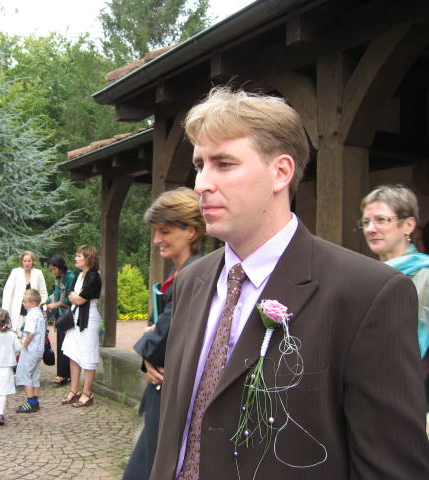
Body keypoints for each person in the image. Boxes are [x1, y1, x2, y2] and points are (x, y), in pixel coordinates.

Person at [149, 87, 429, 479]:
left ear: (280, 172)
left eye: (224, 164)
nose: (201, 184)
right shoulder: (192, 280)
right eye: (200, 165)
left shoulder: (368, 294)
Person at [123, 188, 206, 480]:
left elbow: (161, 337)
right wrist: (149, 351)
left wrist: (149, 349)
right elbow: (159, 333)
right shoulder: (180, 273)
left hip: (172, 396)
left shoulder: (194, 276)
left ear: (191, 231)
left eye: (165, 231)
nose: (157, 239)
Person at [359, 185, 429, 409]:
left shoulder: (425, 275)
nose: (371, 229)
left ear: (408, 224)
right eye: (366, 222)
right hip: (370, 390)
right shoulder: (365, 276)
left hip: (413, 393)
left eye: (381, 220)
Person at [60, 245, 102, 408]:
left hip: (88, 319)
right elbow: (71, 294)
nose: (75, 258)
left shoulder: (94, 277)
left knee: (88, 354)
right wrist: (74, 297)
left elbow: (79, 299)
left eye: (79, 256)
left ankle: (87, 393)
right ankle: (74, 390)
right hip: (76, 317)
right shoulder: (79, 275)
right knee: (74, 353)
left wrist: (74, 297)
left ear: (88, 259)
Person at [45, 254, 76, 386]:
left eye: (54, 269)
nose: (53, 272)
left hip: (67, 316)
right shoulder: (59, 278)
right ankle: (62, 374)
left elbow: (70, 297)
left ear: (60, 266)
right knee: (61, 345)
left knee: (66, 346)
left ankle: (65, 375)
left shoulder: (70, 278)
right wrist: (46, 301)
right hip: (60, 316)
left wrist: (57, 304)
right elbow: (55, 294)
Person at [14, 289, 46, 413]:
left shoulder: (31, 315)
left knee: (25, 374)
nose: (23, 304)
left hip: (31, 349)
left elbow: (31, 332)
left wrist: (24, 345)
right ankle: (35, 400)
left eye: (25, 302)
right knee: (35, 375)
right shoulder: (39, 313)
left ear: (32, 303)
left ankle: (30, 402)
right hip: (39, 350)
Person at [1, 251, 47, 333]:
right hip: (16, 311)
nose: (27, 263)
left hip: (33, 311)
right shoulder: (15, 272)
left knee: (31, 334)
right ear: (22, 262)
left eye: (29, 261)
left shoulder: (38, 273)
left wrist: (44, 308)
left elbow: (43, 292)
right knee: (15, 333)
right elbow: (7, 292)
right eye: (25, 261)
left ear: (32, 262)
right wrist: (5, 310)